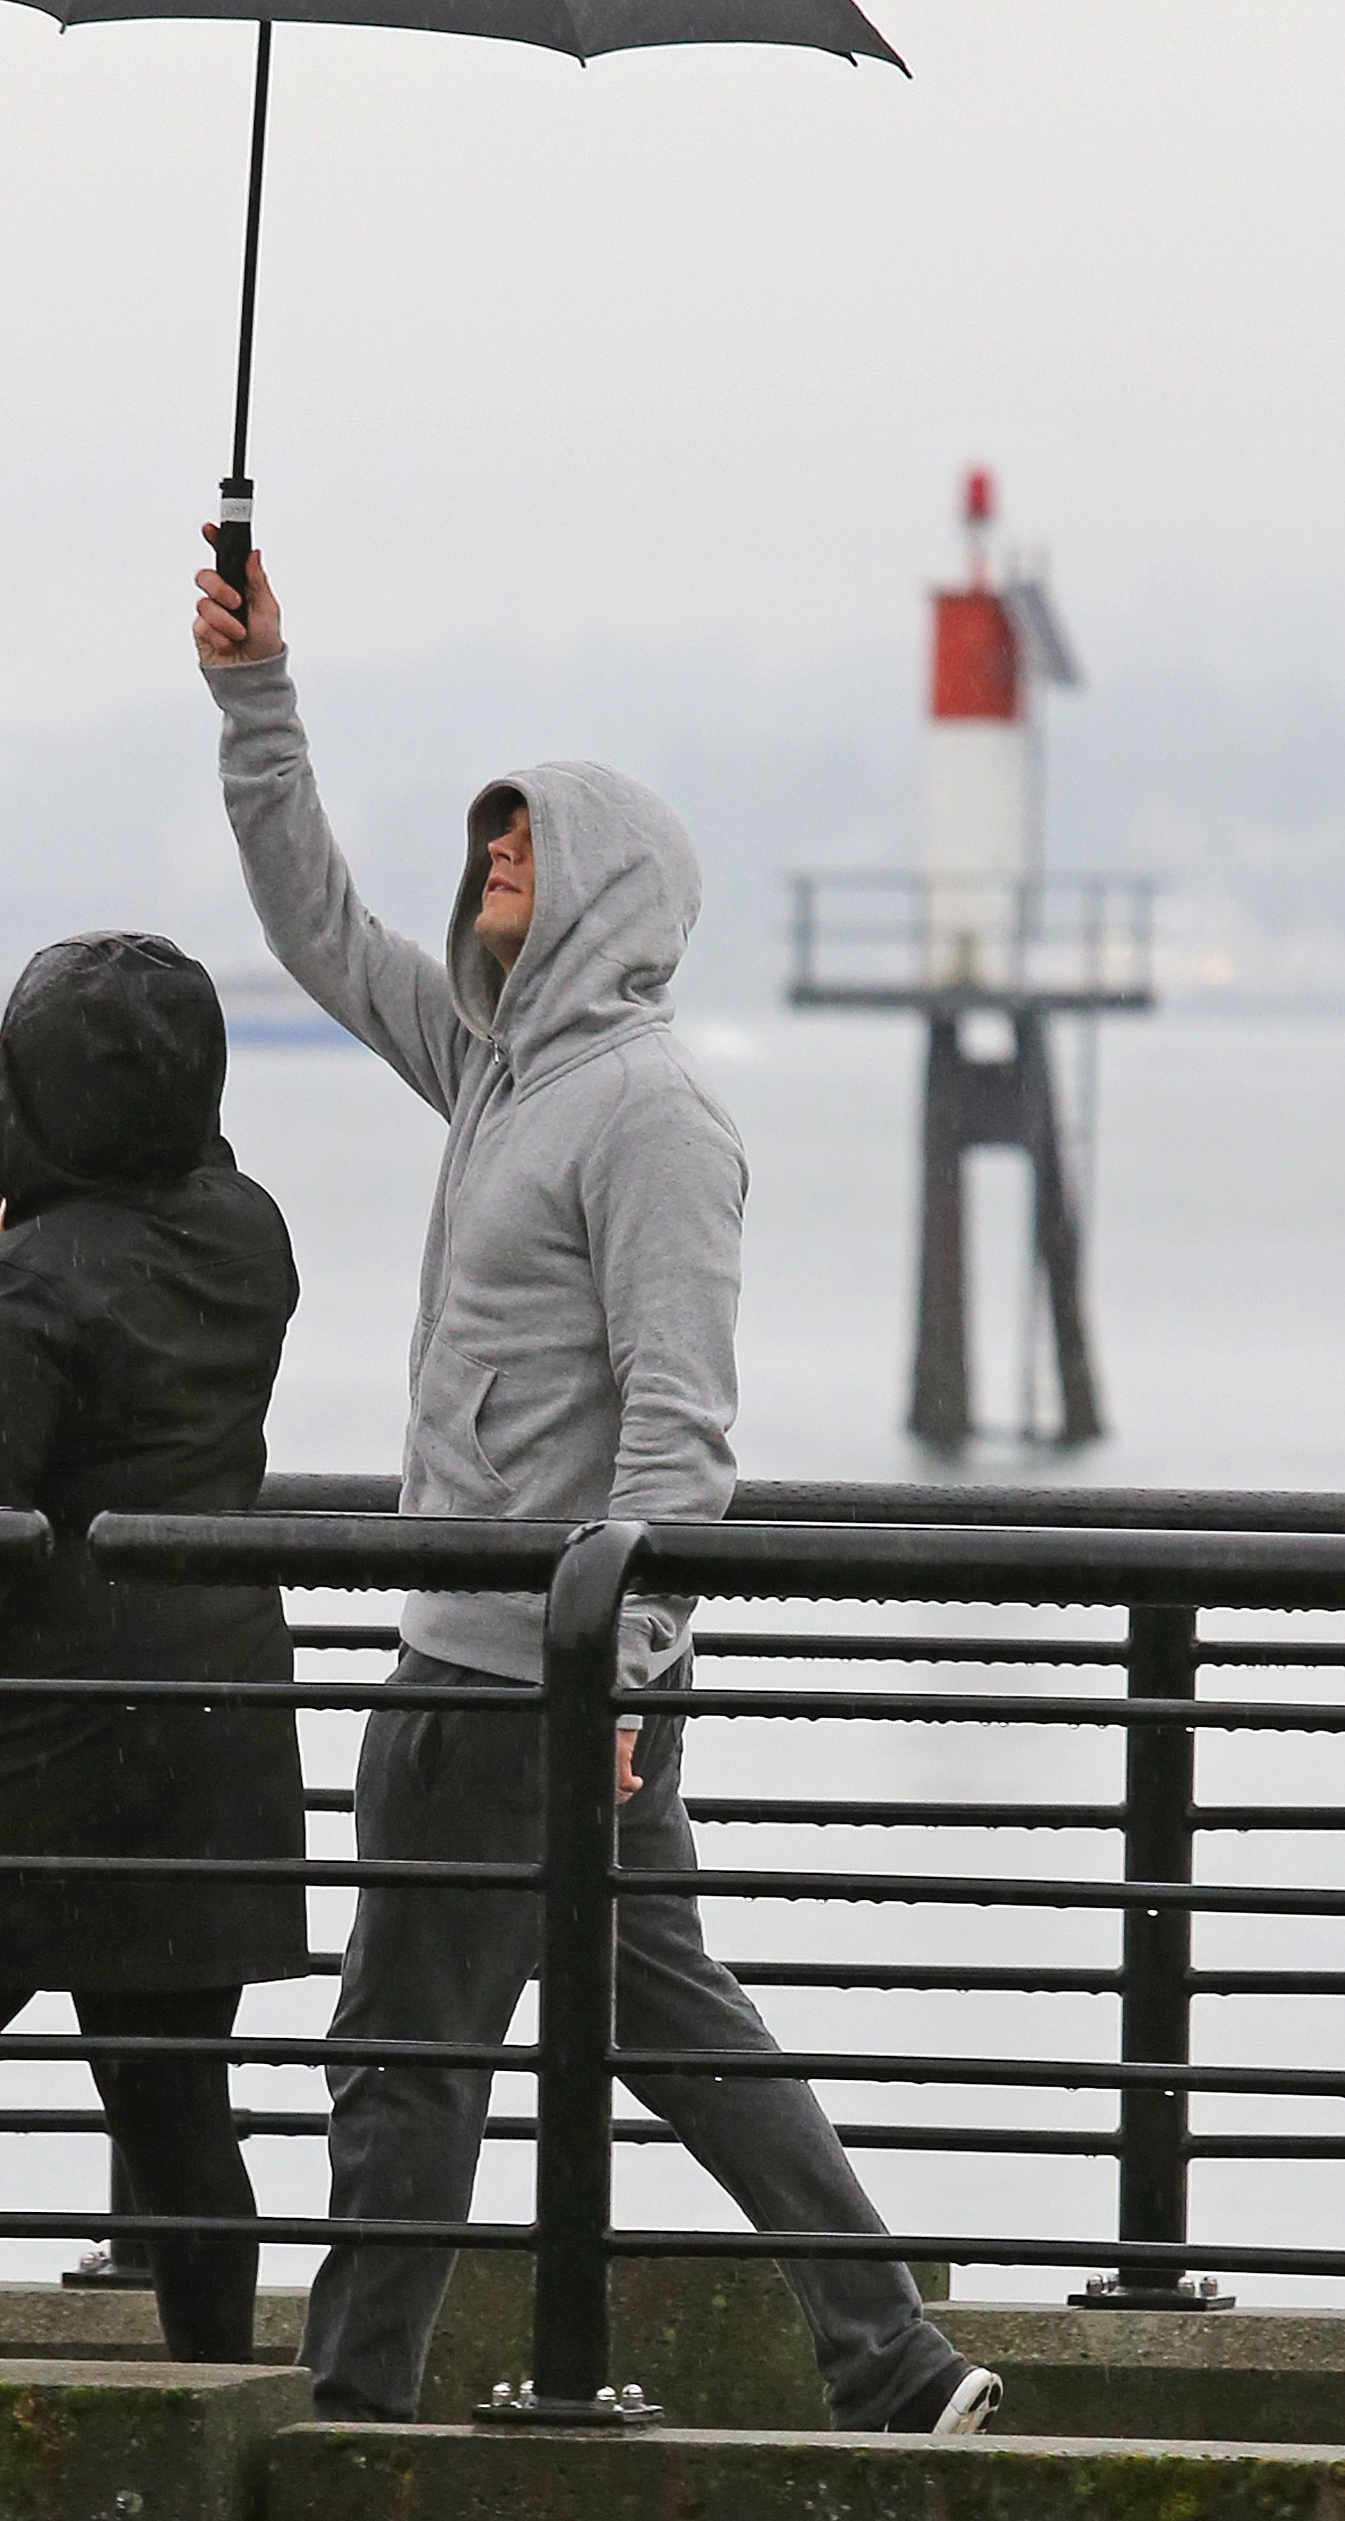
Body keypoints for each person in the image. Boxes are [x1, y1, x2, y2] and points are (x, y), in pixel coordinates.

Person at [193, 541, 999, 2436]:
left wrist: (623, 1671)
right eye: (488, 836)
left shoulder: (651, 1115)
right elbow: (319, 926)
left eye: (526, 840)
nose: (494, 858)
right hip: (508, 1661)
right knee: (659, 2028)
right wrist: (255, 697)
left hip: (527, 1679)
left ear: (608, 888)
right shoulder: (492, 1068)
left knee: (406, 2055)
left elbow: (681, 1431)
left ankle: (356, 2418)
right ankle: (892, 2361)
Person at [0, 932, 304, 2362]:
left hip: (38, 1740)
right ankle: (218, 2391)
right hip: (214, 1726)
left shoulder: (22, 1293)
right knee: (172, 2092)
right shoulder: (247, 1238)